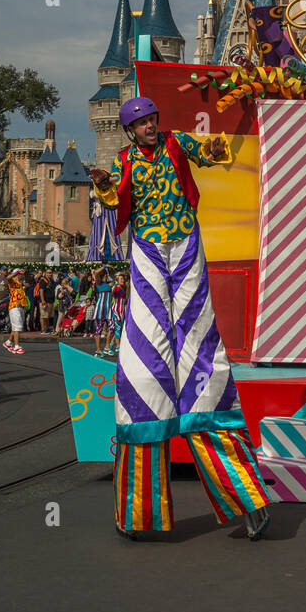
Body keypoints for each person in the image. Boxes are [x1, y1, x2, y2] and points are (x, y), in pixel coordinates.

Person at [89, 96, 271, 540]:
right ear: (131, 130)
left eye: (154, 119)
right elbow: (115, 195)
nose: (151, 127)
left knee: (200, 347)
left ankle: (246, 499)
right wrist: (100, 183)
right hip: (148, 249)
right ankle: (138, 511)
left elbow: (208, 152)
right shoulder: (127, 159)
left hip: (186, 243)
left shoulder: (175, 142)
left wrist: (212, 149)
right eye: (143, 123)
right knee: (144, 370)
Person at [3, 270, 28, 355]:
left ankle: (8, 342)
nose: (23, 276)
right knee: (17, 327)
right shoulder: (13, 281)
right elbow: (8, 277)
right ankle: (16, 346)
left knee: (16, 327)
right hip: (14, 306)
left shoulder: (20, 284)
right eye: (21, 274)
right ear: (18, 274)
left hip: (19, 306)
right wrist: (17, 272)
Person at [92, 267, 113, 357]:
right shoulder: (98, 283)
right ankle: (98, 350)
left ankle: (107, 347)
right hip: (100, 308)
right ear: (103, 276)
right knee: (98, 330)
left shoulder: (108, 284)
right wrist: (104, 267)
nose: (106, 276)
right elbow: (95, 272)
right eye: (105, 275)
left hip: (108, 309)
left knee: (112, 327)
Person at [108, 270, 129, 358]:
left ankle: (110, 346)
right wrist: (114, 286)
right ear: (117, 280)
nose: (122, 280)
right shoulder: (116, 287)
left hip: (121, 311)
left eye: (122, 279)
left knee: (119, 329)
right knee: (118, 328)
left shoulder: (124, 287)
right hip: (116, 310)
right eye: (120, 279)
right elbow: (112, 293)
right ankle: (118, 346)